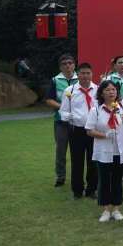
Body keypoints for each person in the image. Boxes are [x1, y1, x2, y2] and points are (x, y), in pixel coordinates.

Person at [86, 80, 123, 222]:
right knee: (104, 180)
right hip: (103, 151)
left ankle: (117, 209)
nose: (111, 92)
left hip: (120, 151)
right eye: (107, 90)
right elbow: (89, 130)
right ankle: (106, 210)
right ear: (101, 93)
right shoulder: (96, 110)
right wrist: (104, 135)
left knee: (118, 180)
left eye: (113, 90)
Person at [59, 62, 99, 199]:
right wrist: (69, 116)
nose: (85, 76)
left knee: (93, 160)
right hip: (76, 130)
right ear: (78, 74)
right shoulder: (69, 91)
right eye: (82, 73)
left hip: (93, 130)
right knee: (77, 161)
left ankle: (92, 189)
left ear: (91, 74)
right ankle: (77, 190)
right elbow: (63, 111)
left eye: (88, 73)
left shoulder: (98, 90)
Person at [45, 53, 77, 188]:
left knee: (77, 151)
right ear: (60, 67)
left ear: (74, 65)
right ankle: (60, 177)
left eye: (70, 63)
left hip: (78, 122)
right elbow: (49, 100)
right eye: (64, 64)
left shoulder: (80, 79)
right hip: (61, 122)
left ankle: (77, 177)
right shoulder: (55, 80)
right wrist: (63, 108)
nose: (68, 66)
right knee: (61, 151)